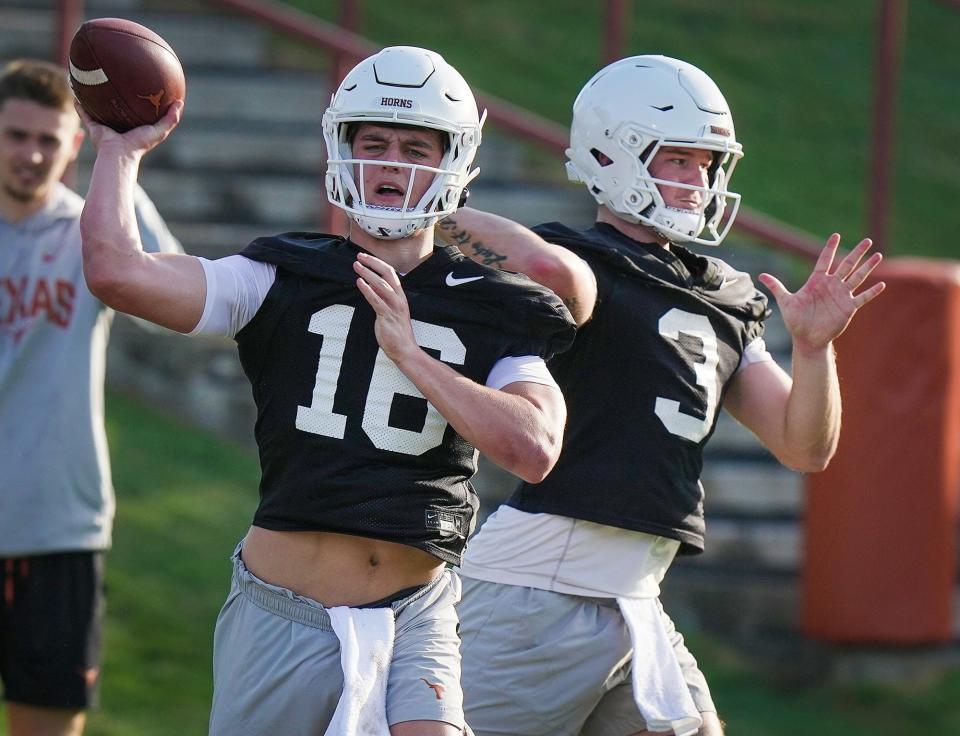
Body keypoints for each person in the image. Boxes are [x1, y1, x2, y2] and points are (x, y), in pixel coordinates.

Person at [77, 45, 574, 735]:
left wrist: (411, 354)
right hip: (283, 610)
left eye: (415, 146)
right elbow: (117, 274)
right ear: (342, 149)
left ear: (453, 161)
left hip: (416, 608)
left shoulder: (494, 304)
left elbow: (535, 447)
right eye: (374, 142)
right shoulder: (279, 274)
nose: (392, 162)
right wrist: (117, 153)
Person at [439, 55, 886, 736]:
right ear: (609, 152)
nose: (696, 180)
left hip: (637, 593)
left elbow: (806, 446)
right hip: (537, 589)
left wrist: (816, 347)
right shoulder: (572, 262)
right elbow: (536, 264)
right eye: (677, 158)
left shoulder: (722, 295)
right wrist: (436, 209)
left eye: (706, 163)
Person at [0, 59, 183, 736]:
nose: (32, 153)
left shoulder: (93, 237)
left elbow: (165, 292)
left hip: (59, 527)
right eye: (16, 135)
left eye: (49, 139)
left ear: (75, 144)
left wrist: (121, 160)